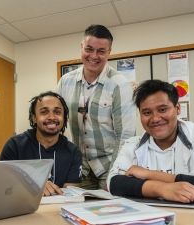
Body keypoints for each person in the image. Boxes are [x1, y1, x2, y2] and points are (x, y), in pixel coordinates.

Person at [108, 79, 194, 205]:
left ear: (178, 109)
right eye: (147, 112)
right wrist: (162, 189)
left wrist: (149, 174)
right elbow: (114, 183)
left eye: (163, 110)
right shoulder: (133, 144)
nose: (156, 118)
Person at [56, 24, 137, 190]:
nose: (94, 56)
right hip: (79, 167)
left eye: (101, 51)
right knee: (75, 212)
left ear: (109, 52)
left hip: (109, 166)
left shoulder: (119, 84)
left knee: (110, 213)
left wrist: (116, 173)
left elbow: (126, 135)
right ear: (81, 47)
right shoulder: (66, 81)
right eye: (89, 49)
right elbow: (57, 122)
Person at [0, 91, 82, 196]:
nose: (52, 117)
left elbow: (70, 194)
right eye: (44, 112)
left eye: (57, 112)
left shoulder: (73, 151)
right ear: (34, 118)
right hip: (22, 208)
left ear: (64, 118)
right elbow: (3, 188)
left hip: (58, 209)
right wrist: (34, 186)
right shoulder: (15, 146)